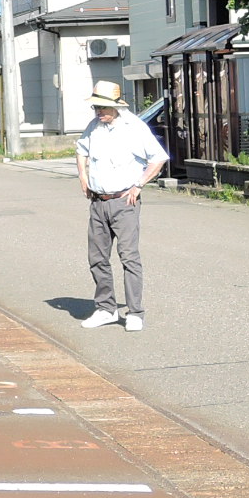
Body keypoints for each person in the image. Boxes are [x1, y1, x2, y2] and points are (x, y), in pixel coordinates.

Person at [76, 80, 168, 330]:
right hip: (98, 201)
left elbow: (158, 158)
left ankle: (135, 312)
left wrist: (139, 184)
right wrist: (83, 176)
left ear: (116, 107)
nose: (98, 112)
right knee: (97, 258)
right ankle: (106, 309)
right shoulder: (94, 126)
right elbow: (81, 149)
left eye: (103, 108)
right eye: (96, 107)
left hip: (123, 201)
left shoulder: (134, 128)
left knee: (129, 257)